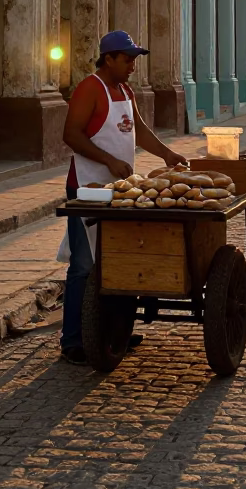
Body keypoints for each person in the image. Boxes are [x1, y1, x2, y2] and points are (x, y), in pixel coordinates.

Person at [57, 30, 187, 364]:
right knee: (84, 265)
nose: (133, 65)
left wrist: (167, 154)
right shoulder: (90, 88)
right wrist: (108, 160)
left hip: (120, 191)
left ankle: (116, 333)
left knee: (118, 259)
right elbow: (70, 134)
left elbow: (139, 130)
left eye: (134, 60)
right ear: (109, 58)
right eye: (127, 59)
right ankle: (73, 340)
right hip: (87, 189)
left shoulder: (125, 89)